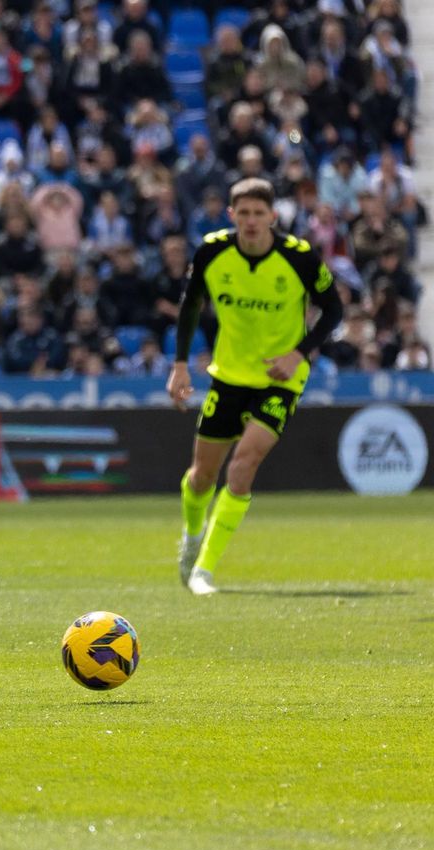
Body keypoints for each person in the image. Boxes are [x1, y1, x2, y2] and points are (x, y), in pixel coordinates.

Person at [168, 178, 343, 595]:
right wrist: (180, 365)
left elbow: (334, 310)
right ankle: (192, 537)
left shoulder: (298, 257)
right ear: (231, 215)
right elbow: (191, 305)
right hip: (229, 375)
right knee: (201, 477)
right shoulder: (211, 251)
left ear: (272, 216)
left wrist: (298, 354)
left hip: (280, 379)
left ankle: (204, 570)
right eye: (243, 213)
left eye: (258, 213)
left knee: (243, 464)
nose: (250, 221)